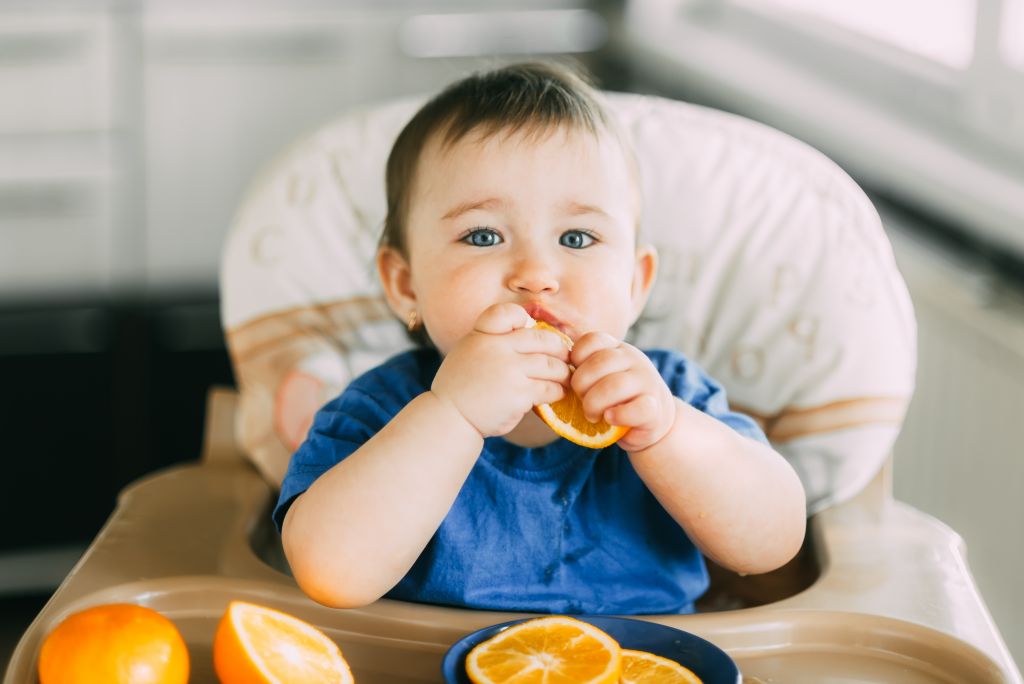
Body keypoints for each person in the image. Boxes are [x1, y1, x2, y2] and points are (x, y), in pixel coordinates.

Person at [274, 61, 806, 614]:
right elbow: (327, 572)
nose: (535, 272)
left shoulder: (671, 395)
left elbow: (772, 545)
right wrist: (452, 414)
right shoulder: (376, 410)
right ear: (406, 285)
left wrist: (665, 433)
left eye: (577, 237)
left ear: (635, 283)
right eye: (483, 235)